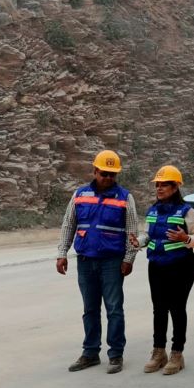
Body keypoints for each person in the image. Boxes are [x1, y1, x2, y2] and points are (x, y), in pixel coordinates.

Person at [56, 149, 138, 374]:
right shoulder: (80, 195)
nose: (108, 178)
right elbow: (68, 225)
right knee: (90, 309)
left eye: (112, 174)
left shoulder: (124, 197)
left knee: (114, 309)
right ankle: (90, 352)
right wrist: (62, 253)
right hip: (86, 261)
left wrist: (129, 258)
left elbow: (132, 230)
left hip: (112, 261)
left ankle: (115, 355)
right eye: (104, 173)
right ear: (94, 171)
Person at [129, 165, 194, 375]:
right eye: (157, 185)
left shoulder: (186, 211)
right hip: (157, 265)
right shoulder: (152, 210)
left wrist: (185, 238)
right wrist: (139, 241)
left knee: (177, 309)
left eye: (164, 185)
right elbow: (148, 235)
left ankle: (177, 354)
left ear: (175, 186)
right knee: (159, 309)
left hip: (181, 266)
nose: (159, 188)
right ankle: (158, 352)